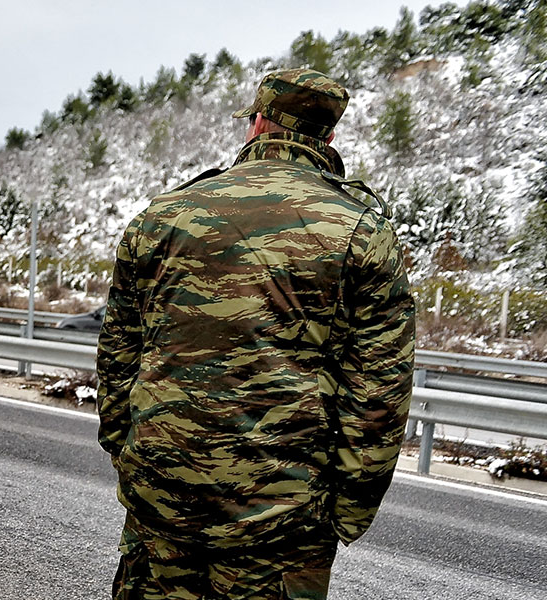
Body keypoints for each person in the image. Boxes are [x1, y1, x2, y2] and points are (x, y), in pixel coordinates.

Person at [96, 68, 415, 600]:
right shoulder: (361, 230)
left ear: (259, 123)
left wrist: (130, 452)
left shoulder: (165, 214)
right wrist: (347, 509)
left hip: (162, 494)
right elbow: (380, 389)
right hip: (282, 516)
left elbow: (119, 353)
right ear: (328, 137)